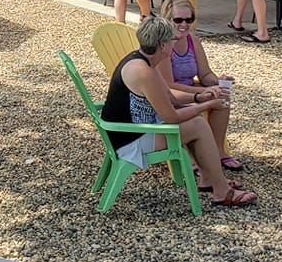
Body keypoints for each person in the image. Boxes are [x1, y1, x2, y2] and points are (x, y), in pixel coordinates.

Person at [101, 14, 254, 207]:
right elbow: (171, 117)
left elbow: (170, 97)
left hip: (129, 130)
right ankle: (221, 191)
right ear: (162, 45)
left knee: (195, 120)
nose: (176, 42)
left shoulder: (143, 60)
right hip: (130, 140)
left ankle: (210, 179)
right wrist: (207, 106)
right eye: (172, 39)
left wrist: (199, 97)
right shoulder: (144, 72)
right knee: (198, 125)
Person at [159, 0, 241, 171]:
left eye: (189, 20)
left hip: (190, 88)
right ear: (167, 20)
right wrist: (201, 94)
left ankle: (218, 151)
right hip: (170, 93)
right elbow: (168, 85)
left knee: (222, 99)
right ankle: (192, 157)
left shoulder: (192, 40)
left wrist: (218, 82)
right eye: (178, 20)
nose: (184, 24)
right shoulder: (164, 45)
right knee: (194, 106)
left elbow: (204, 74)